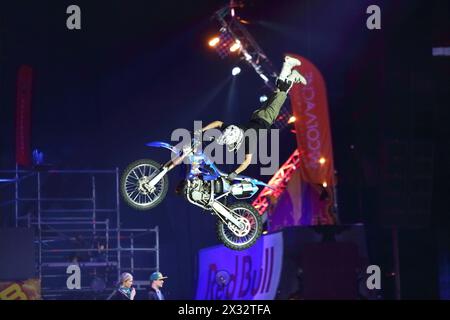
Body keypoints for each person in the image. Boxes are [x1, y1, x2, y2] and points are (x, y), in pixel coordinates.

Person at [201, 56, 307, 180]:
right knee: (278, 92)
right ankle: (291, 72)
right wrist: (202, 130)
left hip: (266, 117)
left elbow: (247, 161)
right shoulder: (235, 129)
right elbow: (218, 123)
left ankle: (290, 70)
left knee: (282, 93)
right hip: (258, 114)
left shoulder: (248, 141)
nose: (235, 145)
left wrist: (234, 173)